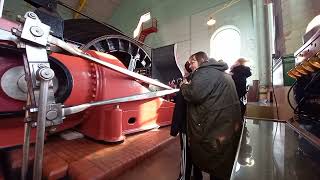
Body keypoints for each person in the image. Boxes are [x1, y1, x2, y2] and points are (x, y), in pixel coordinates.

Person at [180, 51, 242, 180]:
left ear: (201, 61)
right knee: (223, 163)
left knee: (217, 164)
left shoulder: (205, 73)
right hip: (225, 125)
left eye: (192, 62)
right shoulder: (221, 73)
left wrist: (183, 86)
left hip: (215, 128)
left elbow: (194, 94)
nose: (190, 66)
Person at [170, 60, 202, 180]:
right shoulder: (200, 83)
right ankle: (198, 176)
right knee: (196, 152)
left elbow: (179, 109)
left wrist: (174, 129)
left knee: (186, 153)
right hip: (197, 126)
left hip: (186, 126)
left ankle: (184, 177)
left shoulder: (186, 86)